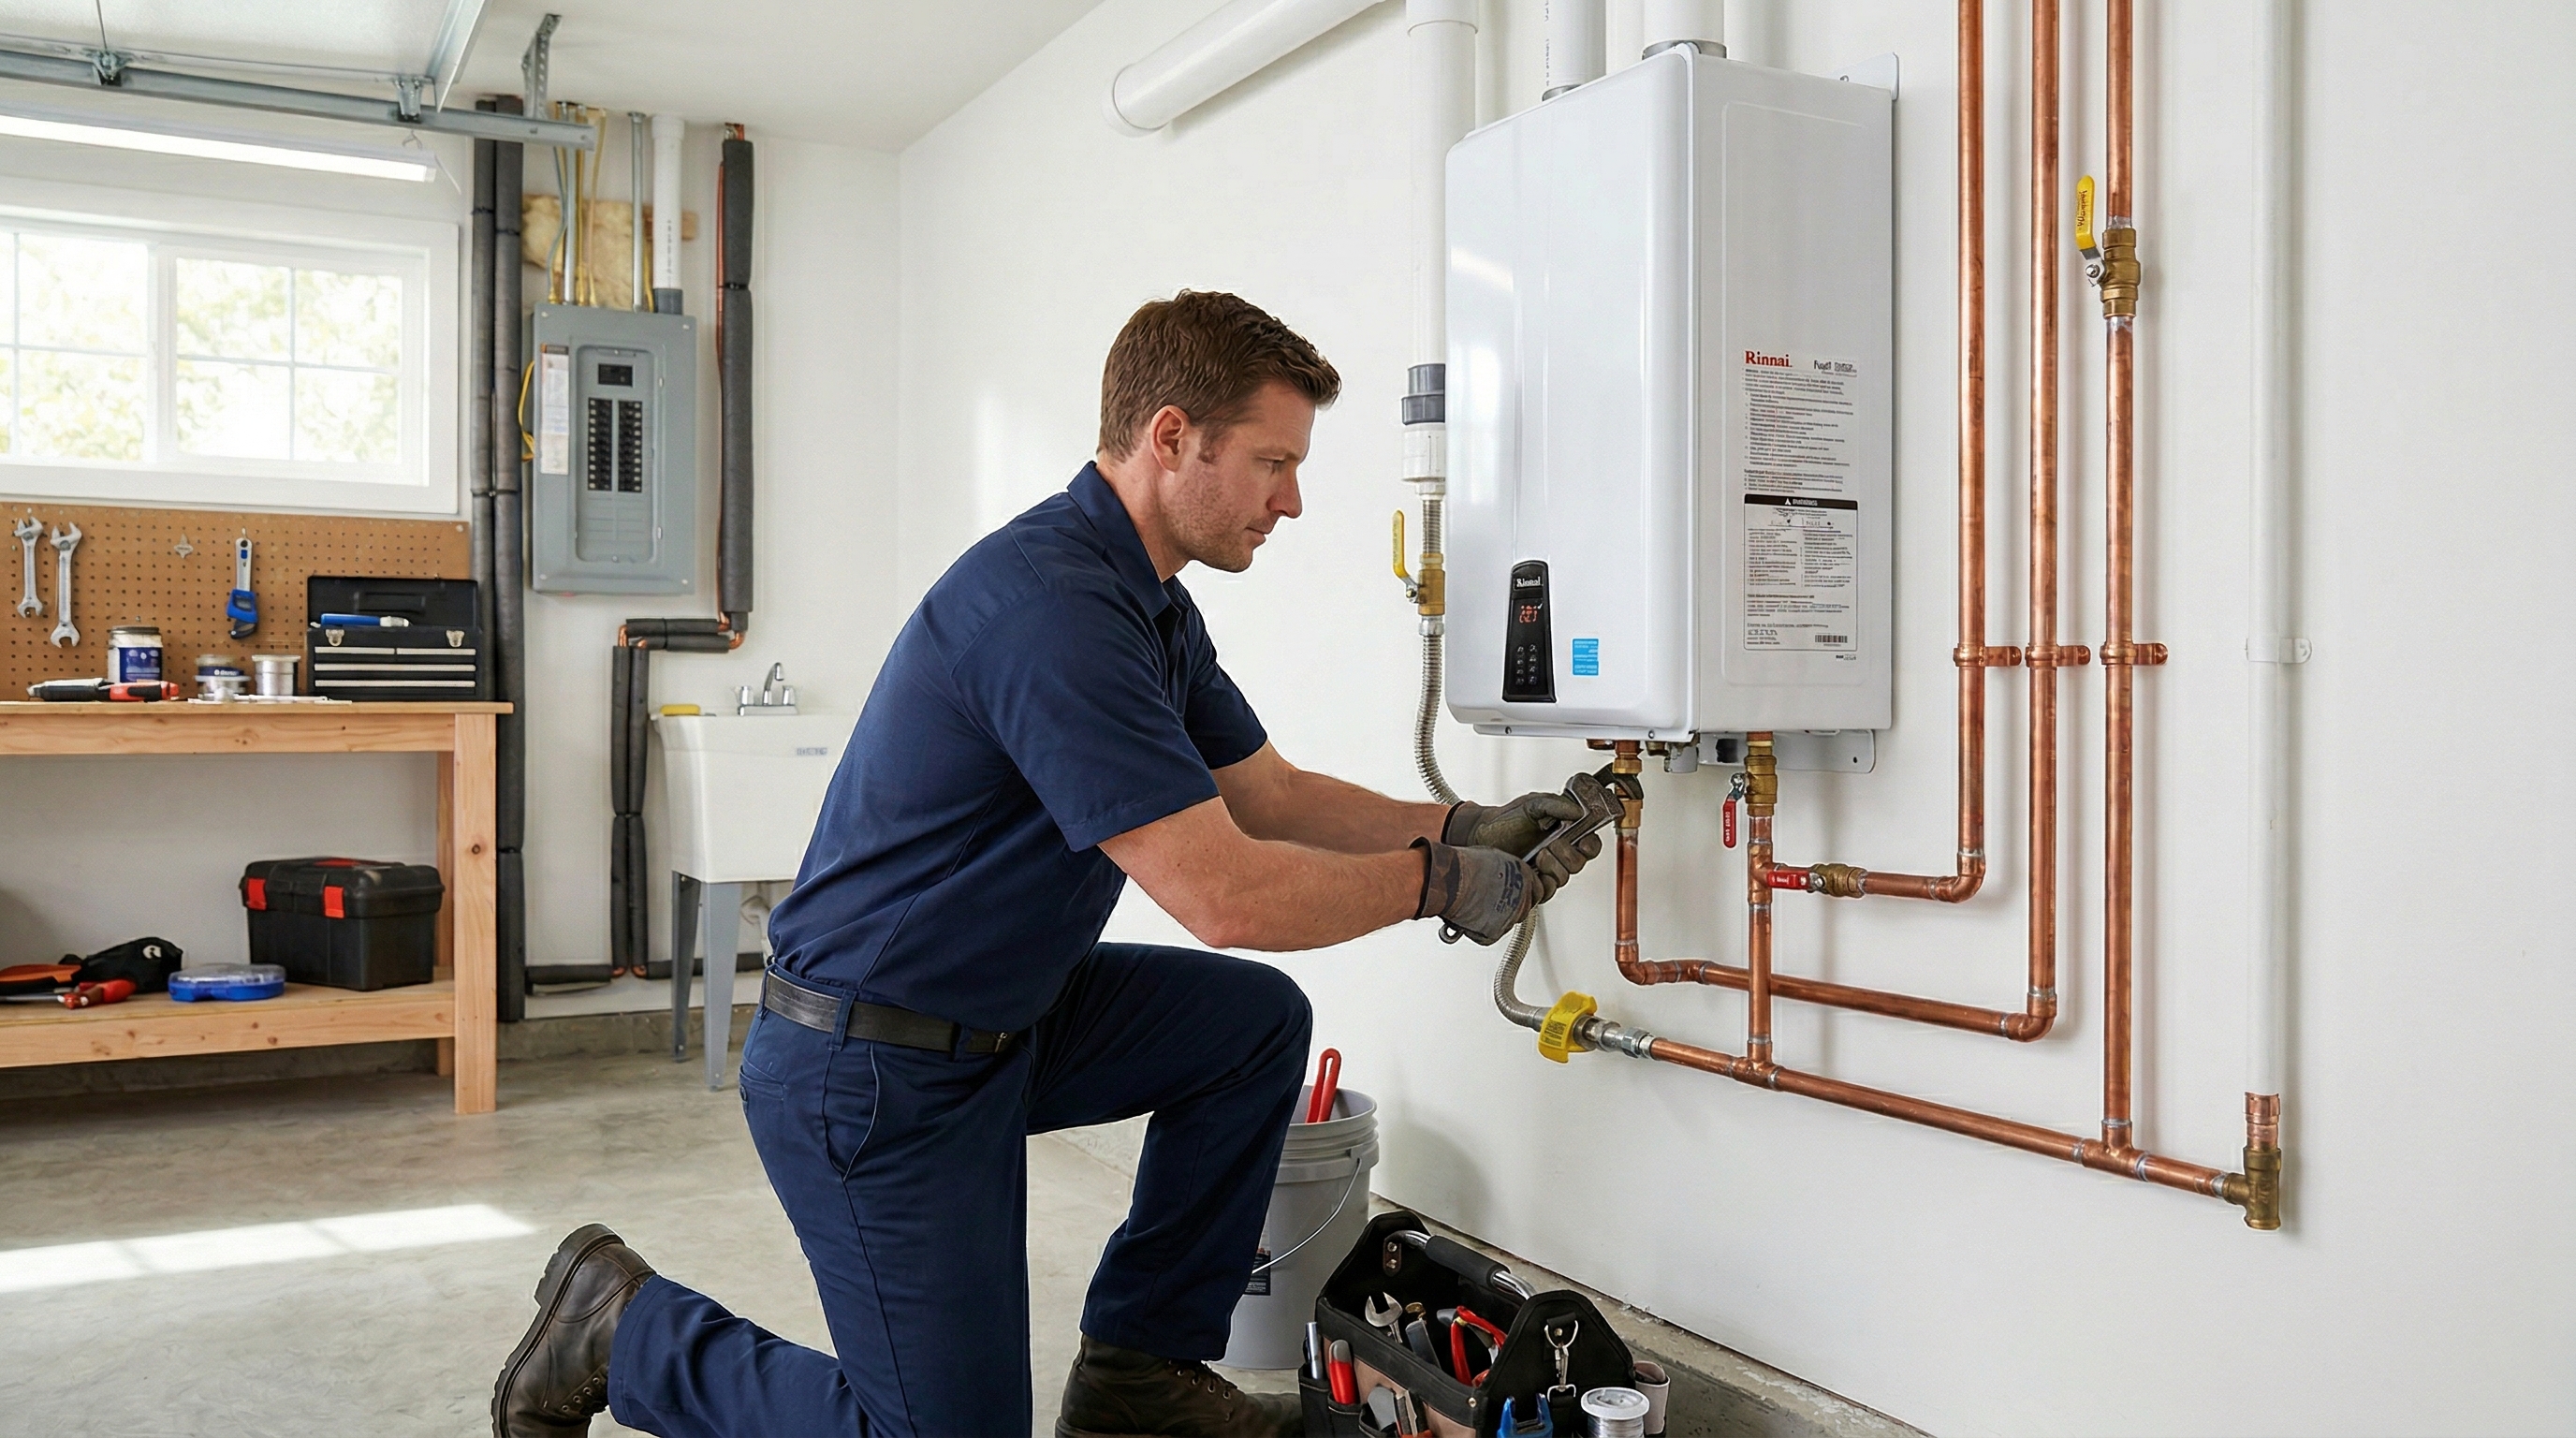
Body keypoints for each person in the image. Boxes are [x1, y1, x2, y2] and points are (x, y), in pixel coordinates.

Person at [492, 290, 1605, 1438]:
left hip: (1002, 1020)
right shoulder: (1053, 609)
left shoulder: (1148, 606)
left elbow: (1267, 795)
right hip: (870, 1063)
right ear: (1171, 438)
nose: (1291, 500)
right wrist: (1435, 883)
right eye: (1272, 463)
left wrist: (1462, 824)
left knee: (1248, 1028)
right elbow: (1223, 896)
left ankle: (1139, 1376)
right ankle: (625, 1328)